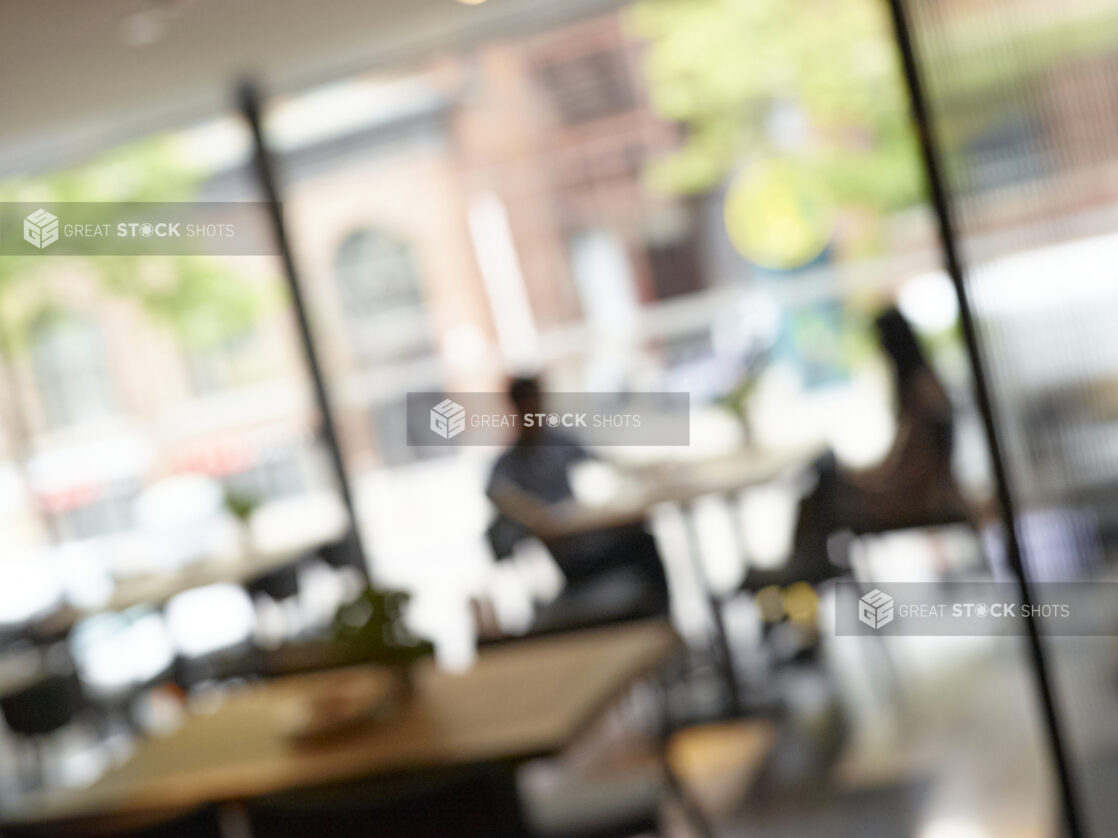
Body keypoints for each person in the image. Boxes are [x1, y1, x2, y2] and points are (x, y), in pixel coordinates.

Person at [746, 305, 969, 589]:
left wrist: (872, 480)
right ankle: (804, 564)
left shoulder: (922, 391)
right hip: (914, 488)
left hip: (914, 497)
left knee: (824, 477)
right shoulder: (921, 385)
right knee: (824, 473)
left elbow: (917, 464)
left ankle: (804, 567)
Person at [485, 377, 670, 631]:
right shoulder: (510, 463)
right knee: (643, 549)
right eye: (529, 404)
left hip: (586, 539)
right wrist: (534, 516)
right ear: (516, 408)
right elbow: (497, 493)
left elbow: (606, 460)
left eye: (537, 402)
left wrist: (646, 469)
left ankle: (659, 627)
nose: (536, 410)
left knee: (642, 537)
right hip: (571, 561)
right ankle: (655, 629)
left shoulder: (556, 441)